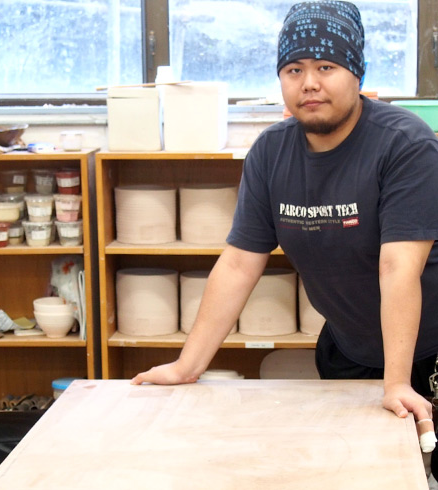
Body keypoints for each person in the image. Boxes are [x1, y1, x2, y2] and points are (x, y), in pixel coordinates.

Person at [131, 1, 438, 433]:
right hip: (349, 349)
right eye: (294, 70)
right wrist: (187, 365)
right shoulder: (270, 153)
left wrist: (397, 381)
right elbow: (239, 263)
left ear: (358, 73)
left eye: (326, 67)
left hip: (427, 350)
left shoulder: (405, 144)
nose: (309, 83)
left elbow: (398, 267)